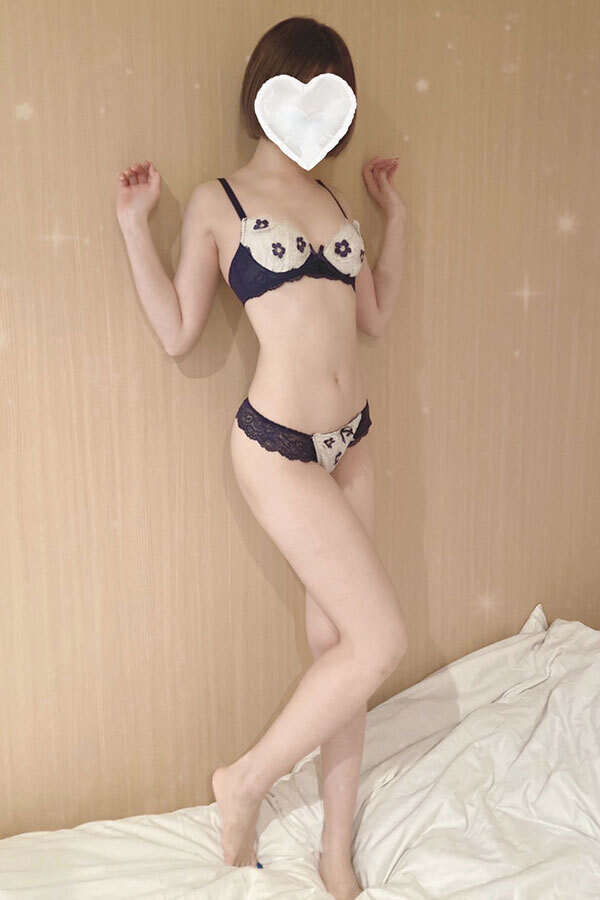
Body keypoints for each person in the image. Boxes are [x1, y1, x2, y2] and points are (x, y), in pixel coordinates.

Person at [116, 15, 408, 900]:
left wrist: (396, 219)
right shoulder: (221, 202)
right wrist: (134, 225)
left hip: (353, 442)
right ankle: (242, 782)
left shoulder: (336, 203)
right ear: (265, 97)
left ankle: (335, 852)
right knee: (382, 641)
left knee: (339, 645)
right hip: (277, 449)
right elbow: (179, 330)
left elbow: (375, 315)